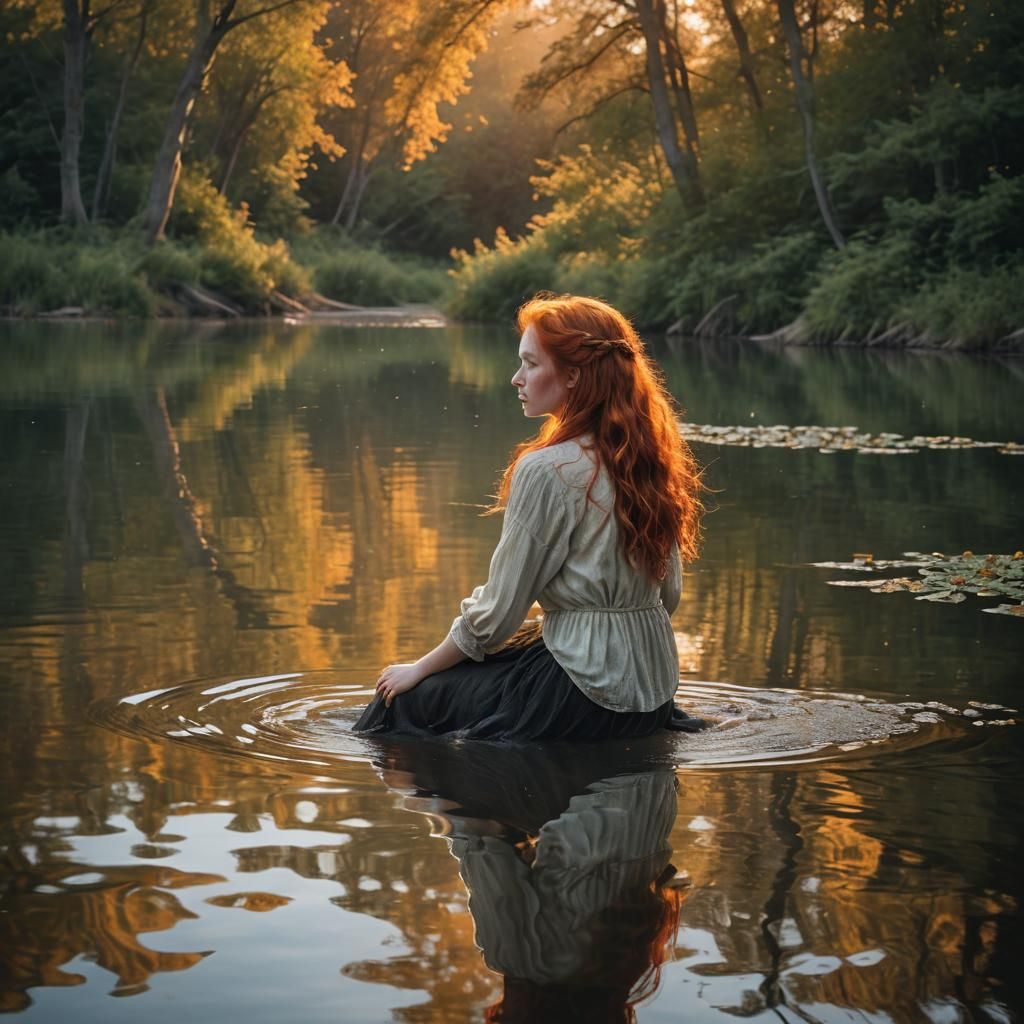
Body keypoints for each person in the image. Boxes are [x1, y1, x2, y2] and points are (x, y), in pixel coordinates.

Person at [353, 293, 706, 741]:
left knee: (400, 703)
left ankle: (439, 803)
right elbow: (668, 596)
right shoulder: (650, 458)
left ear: (574, 375)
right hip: (652, 690)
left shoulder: (549, 469)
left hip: (579, 691)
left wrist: (417, 670)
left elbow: (499, 613)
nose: (516, 378)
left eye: (530, 364)